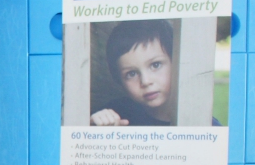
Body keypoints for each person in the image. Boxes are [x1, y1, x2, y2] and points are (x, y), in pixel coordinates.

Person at [90, 19, 222, 127]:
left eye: (155, 65)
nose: (146, 81)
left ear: (176, 63)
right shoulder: (115, 115)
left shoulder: (204, 125)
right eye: (131, 74)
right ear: (119, 80)